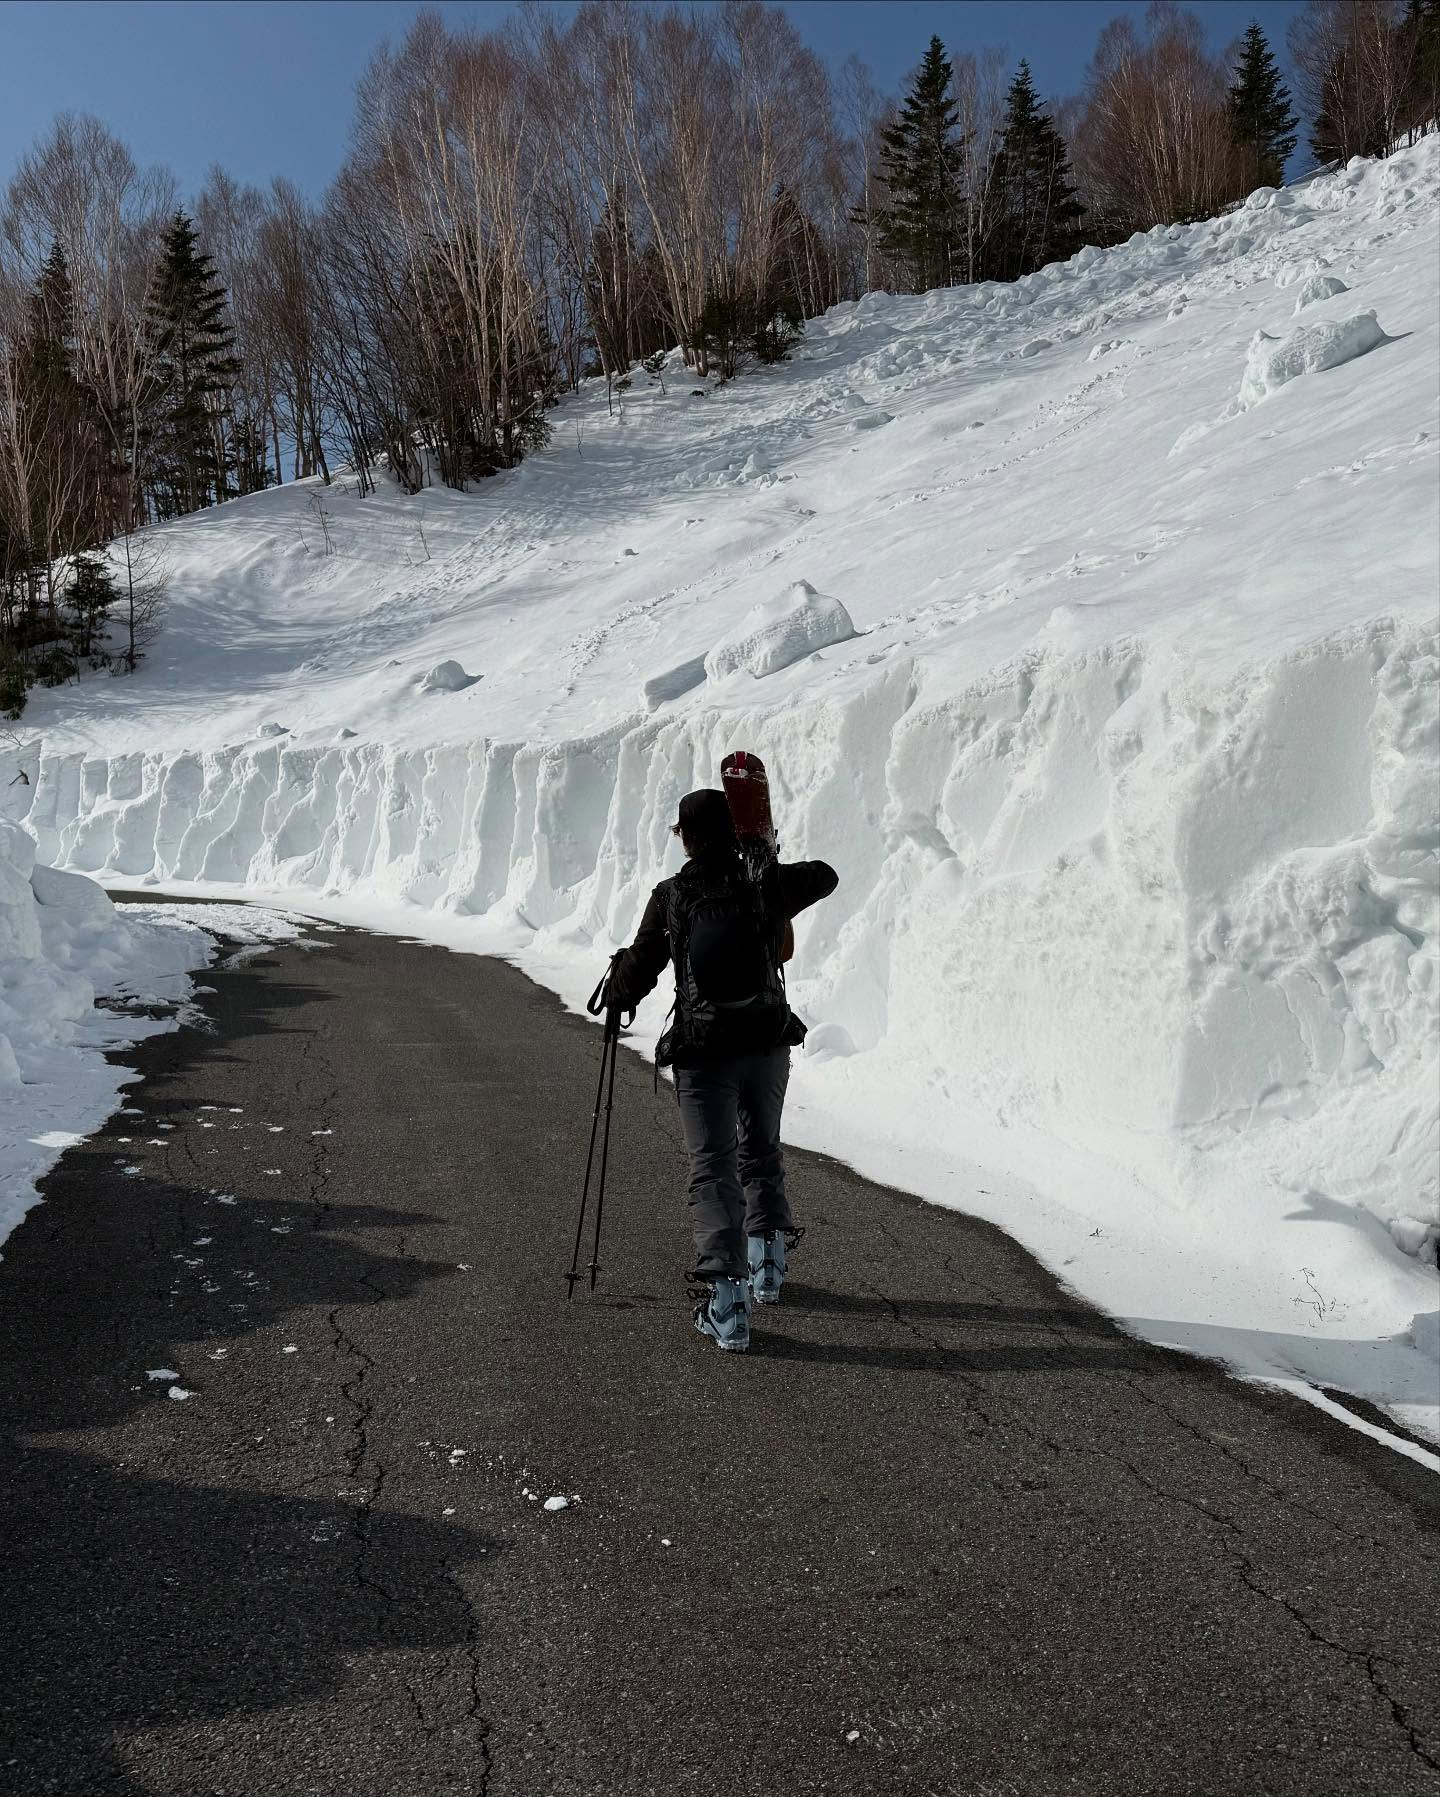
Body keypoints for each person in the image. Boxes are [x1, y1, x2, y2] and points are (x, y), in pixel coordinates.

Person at [604, 788, 838, 1353]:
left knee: (714, 1169)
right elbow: (827, 876)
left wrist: (615, 996)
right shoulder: (764, 883)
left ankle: (728, 1305)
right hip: (766, 1042)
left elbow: (642, 962)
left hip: (704, 1049)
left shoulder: (674, 895)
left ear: (684, 836)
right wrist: (765, 860)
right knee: (762, 1149)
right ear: (735, 833)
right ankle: (768, 1270)